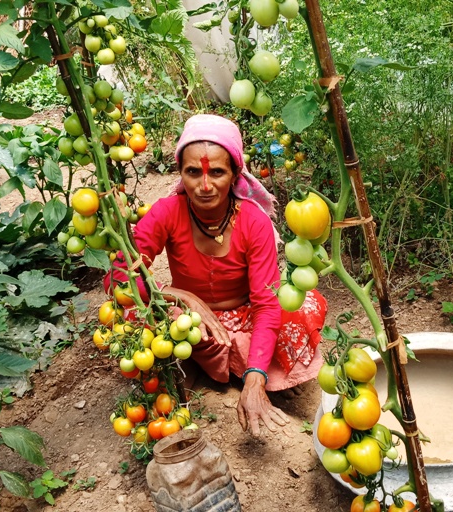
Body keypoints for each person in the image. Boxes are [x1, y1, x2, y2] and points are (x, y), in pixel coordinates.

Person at [115, 114, 327, 436]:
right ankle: (240, 367)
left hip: (246, 315)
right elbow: (119, 276)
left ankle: (241, 370)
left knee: (298, 306)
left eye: (217, 172)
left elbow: (266, 305)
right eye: (192, 172)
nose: (204, 185)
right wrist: (179, 295)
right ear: (180, 173)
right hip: (189, 320)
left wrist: (255, 378)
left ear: (234, 173)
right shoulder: (166, 212)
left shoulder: (253, 222)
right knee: (133, 313)